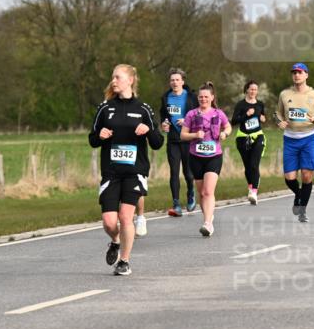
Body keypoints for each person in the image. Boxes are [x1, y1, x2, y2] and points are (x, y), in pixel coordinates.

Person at [89, 65, 164, 276]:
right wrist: (100, 135)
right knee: (109, 222)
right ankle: (115, 240)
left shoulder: (143, 109)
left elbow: (158, 142)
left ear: (130, 80)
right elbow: (92, 139)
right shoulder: (105, 108)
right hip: (111, 172)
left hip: (135, 172)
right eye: (112, 77)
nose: (114, 81)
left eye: (118, 77)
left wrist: (149, 131)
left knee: (125, 217)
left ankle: (124, 260)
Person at [276, 63, 314, 223]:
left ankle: (302, 210)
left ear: (306, 75)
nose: (296, 75)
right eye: (294, 73)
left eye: (299, 72)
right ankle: (299, 195)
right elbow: (277, 113)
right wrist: (279, 121)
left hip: (309, 138)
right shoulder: (285, 94)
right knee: (289, 177)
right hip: (290, 138)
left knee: (306, 175)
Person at [181, 82, 232, 236]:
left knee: (208, 191)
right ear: (198, 98)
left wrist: (224, 134)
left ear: (212, 97)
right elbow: (183, 135)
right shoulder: (191, 114)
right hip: (195, 157)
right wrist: (195, 135)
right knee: (202, 193)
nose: (203, 99)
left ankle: (208, 224)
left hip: (214, 156)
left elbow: (228, 127)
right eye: (201, 97)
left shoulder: (218, 113)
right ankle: (208, 217)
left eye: (206, 97)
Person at [160, 69, 197, 217]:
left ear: (183, 81)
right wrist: (163, 124)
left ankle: (190, 193)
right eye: (172, 80)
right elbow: (163, 115)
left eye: (177, 80)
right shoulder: (165, 97)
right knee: (174, 172)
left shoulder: (191, 97)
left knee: (188, 173)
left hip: (187, 139)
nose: (174, 82)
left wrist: (187, 121)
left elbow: (199, 114)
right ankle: (176, 203)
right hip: (173, 140)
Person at [231, 80, 266, 205]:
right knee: (247, 166)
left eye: (255, 90)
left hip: (257, 136)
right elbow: (234, 121)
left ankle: (254, 193)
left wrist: (263, 118)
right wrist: (246, 114)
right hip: (243, 137)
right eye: (251, 89)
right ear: (246, 90)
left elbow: (262, 116)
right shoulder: (241, 105)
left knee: (253, 164)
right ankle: (251, 186)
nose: (253, 92)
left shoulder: (260, 104)